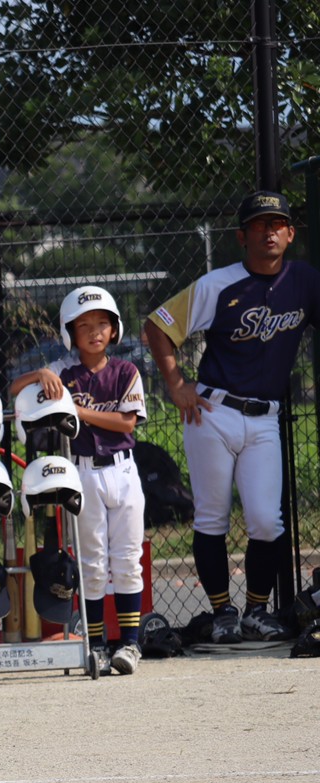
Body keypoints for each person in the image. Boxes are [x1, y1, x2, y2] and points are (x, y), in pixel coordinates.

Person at [144, 190, 320, 644]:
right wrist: (176, 384)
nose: (268, 232)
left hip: (265, 418)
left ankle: (256, 610)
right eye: (258, 225)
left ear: (290, 233)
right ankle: (223, 612)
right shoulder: (218, 284)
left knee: (265, 520)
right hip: (213, 413)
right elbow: (158, 326)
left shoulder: (304, 281)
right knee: (211, 516)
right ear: (242, 236)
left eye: (276, 224)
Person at [11, 286, 148, 674]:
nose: (94, 332)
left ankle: (130, 644)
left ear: (114, 329)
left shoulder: (126, 371)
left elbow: (127, 422)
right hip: (82, 471)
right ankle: (97, 645)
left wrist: (79, 412)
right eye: (83, 325)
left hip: (123, 470)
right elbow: (14, 390)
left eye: (102, 323)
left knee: (128, 560)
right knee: (92, 563)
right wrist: (40, 374)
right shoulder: (62, 372)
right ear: (69, 331)